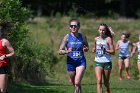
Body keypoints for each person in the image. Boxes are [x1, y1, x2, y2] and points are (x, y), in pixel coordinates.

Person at [58, 19, 89, 93]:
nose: (73, 27)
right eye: (71, 26)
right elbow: (60, 51)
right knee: (75, 83)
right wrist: (67, 51)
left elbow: (87, 46)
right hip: (70, 63)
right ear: (69, 27)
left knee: (77, 82)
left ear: (79, 27)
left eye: (75, 26)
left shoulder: (82, 36)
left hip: (80, 62)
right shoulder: (67, 37)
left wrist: (86, 49)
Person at [92, 23, 115, 93]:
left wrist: (105, 50)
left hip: (107, 62)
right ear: (98, 30)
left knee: (105, 82)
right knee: (99, 81)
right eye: (100, 30)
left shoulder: (108, 39)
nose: (101, 31)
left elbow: (113, 52)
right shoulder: (96, 39)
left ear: (105, 31)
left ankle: (108, 89)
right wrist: (94, 49)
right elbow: (94, 48)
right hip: (98, 61)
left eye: (103, 30)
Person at [0, 22, 15, 93]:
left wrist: (4, 56)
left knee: (2, 90)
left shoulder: (5, 41)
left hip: (2, 66)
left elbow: (13, 53)